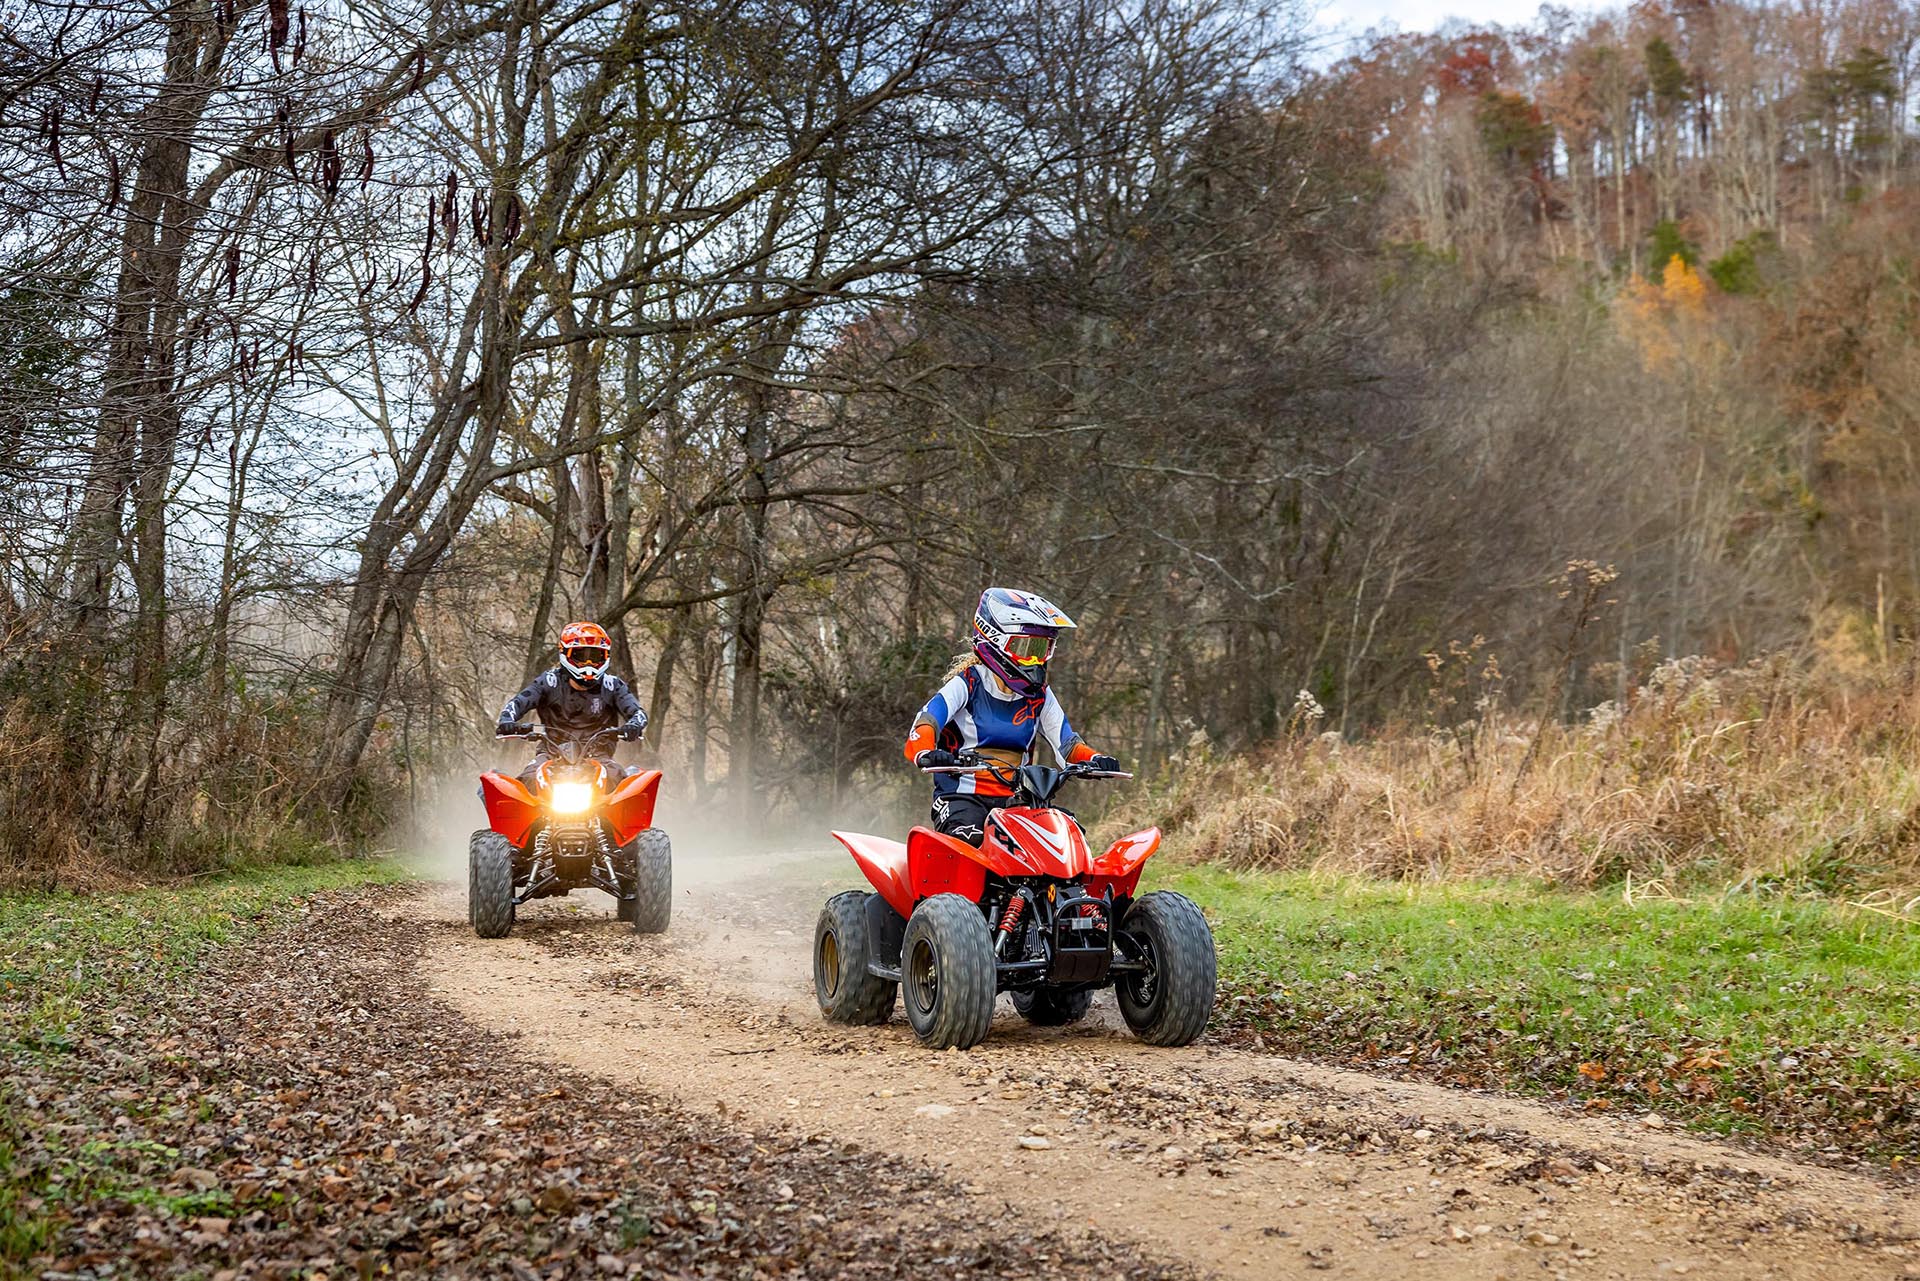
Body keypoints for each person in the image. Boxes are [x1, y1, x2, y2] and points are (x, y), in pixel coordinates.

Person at [903, 588, 1119, 844]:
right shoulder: (967, 684)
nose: (1035, 659)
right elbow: (927, 721)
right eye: (1025, 647)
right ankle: (947, 885)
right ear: (995, 641)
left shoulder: (1040, 696)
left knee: (1067, 836)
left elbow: (1068, 746)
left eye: (1041, 649)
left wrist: (1096, 759)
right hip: (961, 798)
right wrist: (926, 752)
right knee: (969, 841)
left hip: (1019, 799)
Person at [497, 621, 648, 787]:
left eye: (595, 657)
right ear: (565, 654)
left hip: (598, 758)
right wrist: (507, 721)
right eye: (581, 656)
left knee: (621, 782)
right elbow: (517, 704)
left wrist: (633, 726)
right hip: (551, 756)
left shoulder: (612, 685)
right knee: (528, 780)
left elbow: (638, 713)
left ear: (605, 657)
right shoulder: (549, 682)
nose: (588, 663)